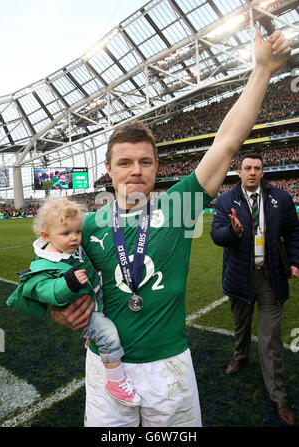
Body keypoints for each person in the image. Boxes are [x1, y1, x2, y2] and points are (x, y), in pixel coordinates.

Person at [51, 29, 291, 427]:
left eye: (145, 162)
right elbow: (55, 289)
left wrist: (262, 70)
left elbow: (228, 144)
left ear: (156, 168)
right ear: (108, 170)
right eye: (125, 162)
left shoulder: (177, 207)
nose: (135, 171)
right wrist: (63, 314)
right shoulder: (86, 226)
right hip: (107, 368)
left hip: (169, 369)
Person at [7, 197, 141, 407]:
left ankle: (92, 338)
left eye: (77, 232)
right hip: (86, 312)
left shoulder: (68, 248)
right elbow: (46, 291)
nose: (74, 238)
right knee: (109, 336)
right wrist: (67, 283)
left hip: (96, 297)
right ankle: (116, 382)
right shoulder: (44, 263)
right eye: (66, 234)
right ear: (46, 235)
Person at [210, 152, 299, 426]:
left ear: (262, 172)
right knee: (241, 324)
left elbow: (294, 233)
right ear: (239, 171)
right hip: (240, 276)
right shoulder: (226, 201)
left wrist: (295, 261)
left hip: (271, 276)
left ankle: (279, 397)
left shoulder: (280, 199)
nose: (252, 172)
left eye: (257, 168)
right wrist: (234, 231)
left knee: (270, 337)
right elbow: (217, 235)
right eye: (247, 168)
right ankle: (240, 357)